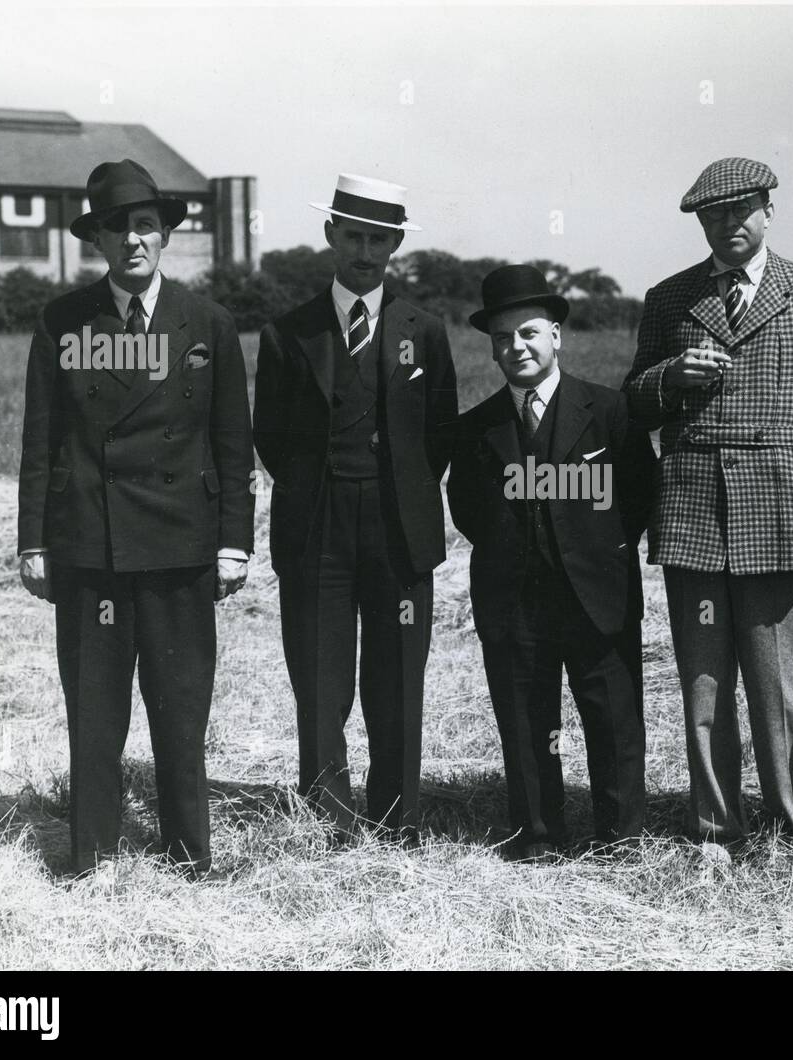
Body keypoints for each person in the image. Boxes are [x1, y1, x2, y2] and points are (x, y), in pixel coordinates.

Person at [622, 158, 793, 860]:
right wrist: (671, 378)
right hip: (695, 515)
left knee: (785, 693)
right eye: (712, 215)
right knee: (704, 689)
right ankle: (715, 833)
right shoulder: (669, 300)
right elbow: (631, 398)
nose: (727, 225)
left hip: (784, 516)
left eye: (740, 211)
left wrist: (787, 459)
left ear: (767, 210)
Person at [17, 158, 255, 876]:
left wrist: (236, 542)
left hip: (182, 546)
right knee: (94, 711)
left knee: (180, 709)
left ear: (164, 237)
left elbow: (232, 441)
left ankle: (189, 854)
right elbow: (40, 437)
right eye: (117, 228)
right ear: (99, 241)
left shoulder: (207, 322)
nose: (133, 240)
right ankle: (92, 858)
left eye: (145, 225)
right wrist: (33, 541)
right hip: (91, 543)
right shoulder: (63, 321)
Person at [253, 173, 457, 844]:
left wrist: (395, 488)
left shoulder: (422, 330)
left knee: (397, 677)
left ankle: (399, 818)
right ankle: (329, 818)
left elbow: (440, 432)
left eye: (379, 240)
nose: (366, 252)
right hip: (317, 525)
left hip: (400, 527)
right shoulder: (290, 331)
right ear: (330, 235)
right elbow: (272, 437)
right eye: (354, 236)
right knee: (320, 674)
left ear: (396, 244)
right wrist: (325, 486)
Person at [448, 265, 655, 862]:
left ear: (557, 335)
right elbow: (467, 508)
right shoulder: (478, 426)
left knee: (613, 717)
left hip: (598, 592)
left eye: (530, 333)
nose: (517, 347)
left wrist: (595, 551)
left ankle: (622, 834)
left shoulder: (609, 411)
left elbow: (637, 493)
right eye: (503, 338)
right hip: (513, 597)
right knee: (525, 717)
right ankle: (537, 833)